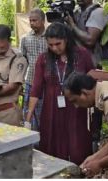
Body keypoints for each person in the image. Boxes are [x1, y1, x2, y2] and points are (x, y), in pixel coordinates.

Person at [25, 22, 95, 165]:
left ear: (66, 40)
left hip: (77, 106)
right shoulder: (43, 59)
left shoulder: (82, 54)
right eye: (50, 45)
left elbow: (92, 79)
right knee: (52, 141)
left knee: (77, 143)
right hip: (51, 109)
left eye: (58, 44)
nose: (54, 48)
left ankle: (82, 171)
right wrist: (28, 117)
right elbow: (36, 89)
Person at [20, 8, 47, 130]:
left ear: (43, 21)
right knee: (28, 112)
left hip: (47, 83)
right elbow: (23, 60)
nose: (31, 23)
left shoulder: (50, 38)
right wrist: (20, 81)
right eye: (30, 21)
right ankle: (32, 139)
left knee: (44, 111)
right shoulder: (25, 39)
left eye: (35, 20)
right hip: (30, 81)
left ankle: (45, 140)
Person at [66, 0, 108, 67]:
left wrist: (72, 25)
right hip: (76, 60)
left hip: (92, 62)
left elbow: (90, 40)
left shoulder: (98, 12)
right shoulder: (77, 12)